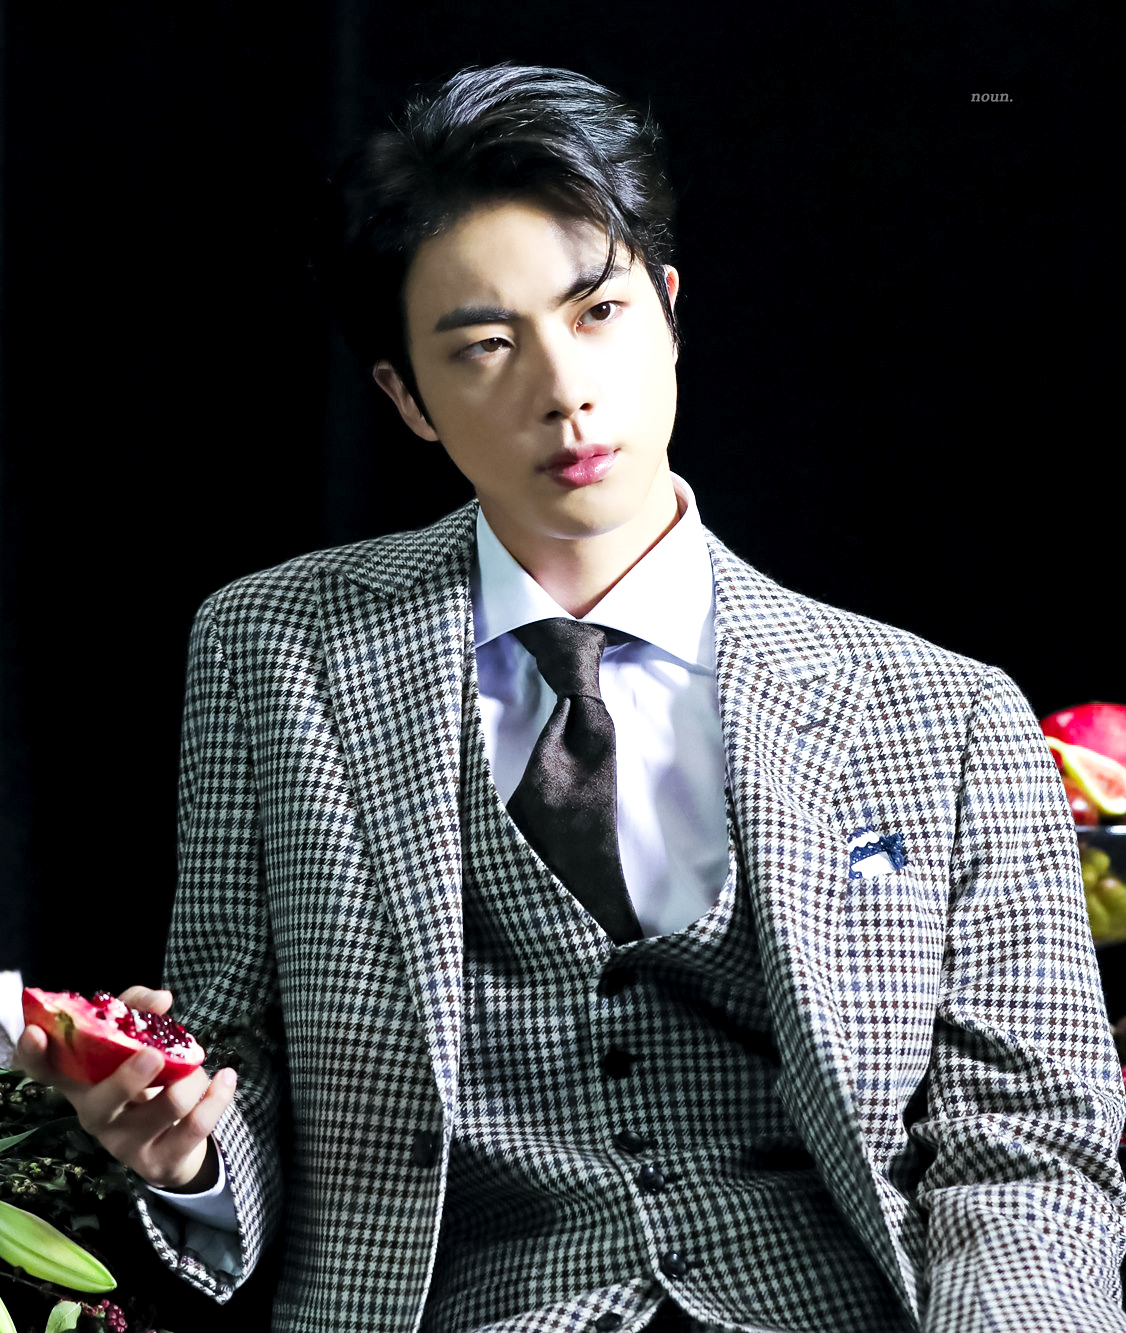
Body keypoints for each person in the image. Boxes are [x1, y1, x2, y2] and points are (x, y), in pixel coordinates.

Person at [18, 63, 1126, 1333]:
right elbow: (238, 1055)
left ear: (668, 310)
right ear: (405, 396)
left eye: (597, 311)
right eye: (485, 347)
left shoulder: (945, 713)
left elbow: (1028, 1145)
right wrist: (188, 1152)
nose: (562, 389)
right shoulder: (278, 650)